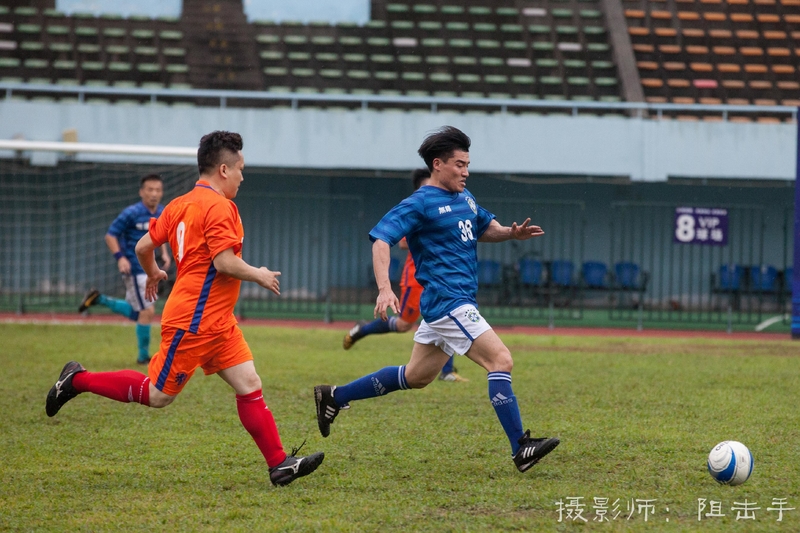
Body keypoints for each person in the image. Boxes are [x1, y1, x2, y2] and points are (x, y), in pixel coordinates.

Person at [47, 131, 324, 487]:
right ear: (223, 169)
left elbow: (144, 247)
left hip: (218, 320)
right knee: (158, 395)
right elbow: (224, 262)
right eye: (240, 169)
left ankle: (279, 464)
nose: (243, 176)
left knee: (249, 383)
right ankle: (77, 380)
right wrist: (259, 274)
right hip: (194, 320)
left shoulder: (178, 204)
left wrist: (153, 273)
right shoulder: (220, 206)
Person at [315, 126, 559, 473]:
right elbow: (381, 240)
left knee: (416, 376)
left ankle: (334, 396)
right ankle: (521, 447)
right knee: (501, 360)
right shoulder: (419, 203)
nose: (466, 171)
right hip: (449, 302)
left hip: (451, 303)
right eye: (459, 164)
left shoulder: (465, 197)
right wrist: (385, 288)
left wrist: (510, 233)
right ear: (438, 164)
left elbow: (484, 228)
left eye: (468, 164)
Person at [343, 168, 467, 382]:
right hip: (416, 279)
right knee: (403, 325)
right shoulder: (417, 208)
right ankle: (363, 329)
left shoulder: (445, 207)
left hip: (438, 277)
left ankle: (447, 371)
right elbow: (400, 243)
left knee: (446, 314)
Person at [78, 174, 172, 365]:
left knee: (141, 312)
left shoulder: (162, 212)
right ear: (141, 192)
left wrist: (164, 253)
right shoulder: (131, 213)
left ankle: (99, 299)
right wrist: (120, 258)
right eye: (150, 189)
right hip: (135, 268)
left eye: (158, 190)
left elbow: (160, 234)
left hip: (151, 267)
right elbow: (110, 236)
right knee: (147, 311)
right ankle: (143, 357)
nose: (154, 194)